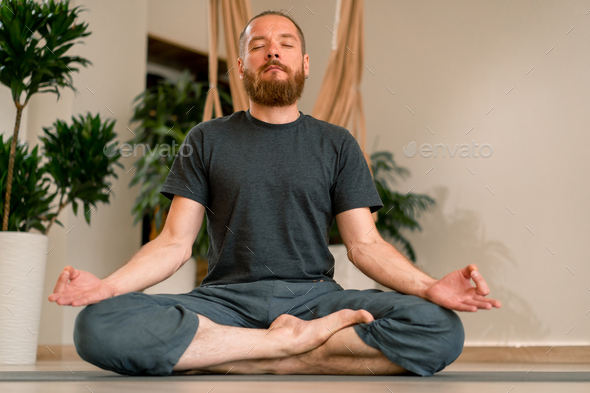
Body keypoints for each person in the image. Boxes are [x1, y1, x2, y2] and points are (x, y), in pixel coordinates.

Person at [48, 10, 501, 377]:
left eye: (286, 44)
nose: (273, 52)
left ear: (304, 64)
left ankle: (260, 355)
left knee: (439, 329)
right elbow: (174, 243)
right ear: (242, 65)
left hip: (316, 299)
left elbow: (365, 245)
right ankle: (281, 346)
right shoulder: (206, 138)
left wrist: (429, 287)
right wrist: (106, 287)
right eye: (258, 46)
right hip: (225, 301)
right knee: (97, 326)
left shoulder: (336, 142)